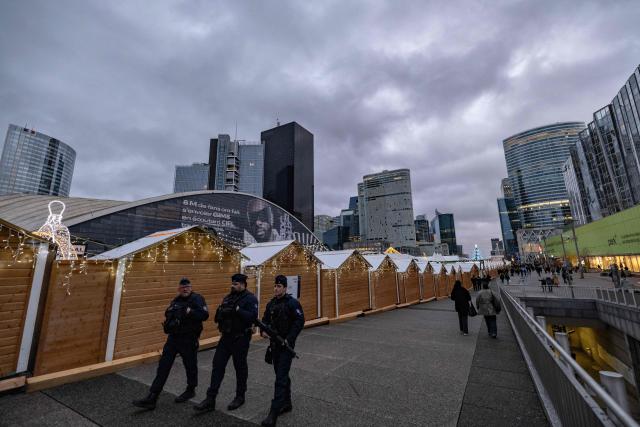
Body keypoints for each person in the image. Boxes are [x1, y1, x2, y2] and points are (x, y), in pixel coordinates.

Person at [133, 278, 209, 410]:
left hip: (188, 339)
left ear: (191, 288)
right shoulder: (175, 300)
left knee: (190, 366)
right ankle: (152, 397)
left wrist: (191, 312)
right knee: (163, 367)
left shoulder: (197, 299)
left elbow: (205, 315)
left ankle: (191, 390)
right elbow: (168, 314)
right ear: (179, 289)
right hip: (173, 339)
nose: (185, 289)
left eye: (188, 287)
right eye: (183, 287)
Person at [194, 273, 258, 412]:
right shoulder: (228, 297)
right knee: (217, 365)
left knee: (240, 368)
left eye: (236, 284)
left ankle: (240, 396)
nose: (233, 286)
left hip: (241, 338)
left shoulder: (250, 298)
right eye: (232, 283)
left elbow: (252, 317)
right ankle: (210, 399)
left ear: (243, 285)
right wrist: (221, 312)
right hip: (226, 337)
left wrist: (238, 310)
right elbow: (217, 317)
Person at [259, 275, 305, 427]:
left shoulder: (292, 303)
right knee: (281, 374)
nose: (276, 288)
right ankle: (287, 402)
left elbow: (300, 321)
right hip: (274, 346)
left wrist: (289, 339)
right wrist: (263, 332)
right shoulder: (271, 304)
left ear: (285, 288)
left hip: (286, 346)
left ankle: (273, 412)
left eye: (279, 286)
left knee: (280, 378)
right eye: (275, 286)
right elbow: (264, 321)